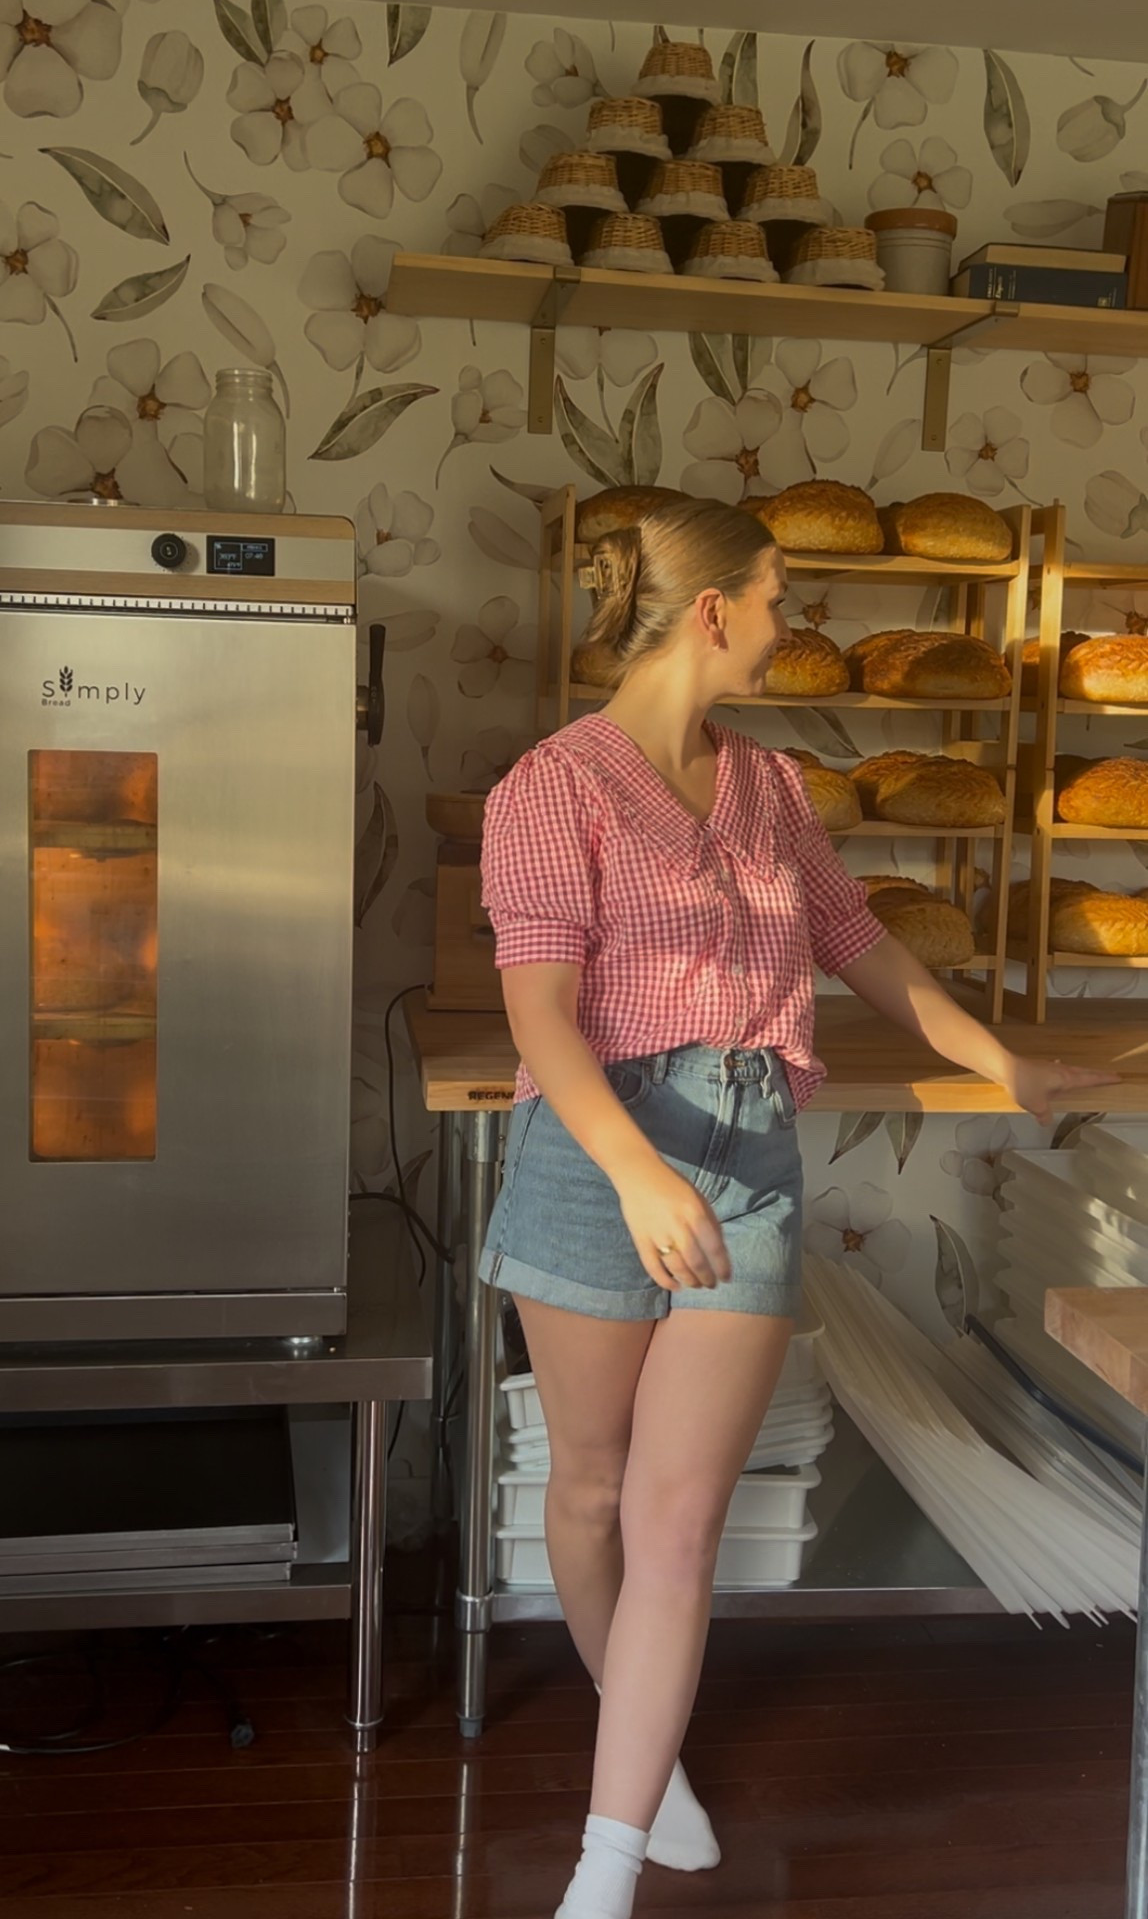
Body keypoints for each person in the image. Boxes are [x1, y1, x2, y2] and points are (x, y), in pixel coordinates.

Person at [476, 495, 1114, 1919]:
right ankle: (651, 1765)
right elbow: (543, 1013)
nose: (788, 624)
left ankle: (609, 1853)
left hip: (750, 1151)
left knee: (681, 1513)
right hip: (596, 1152)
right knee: (585, 1490)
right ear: (712, 612)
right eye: (777, 597)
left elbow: (863, 946)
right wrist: (637, 1172)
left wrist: (1004, 1057)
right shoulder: (551, 788)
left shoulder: (768, 786)